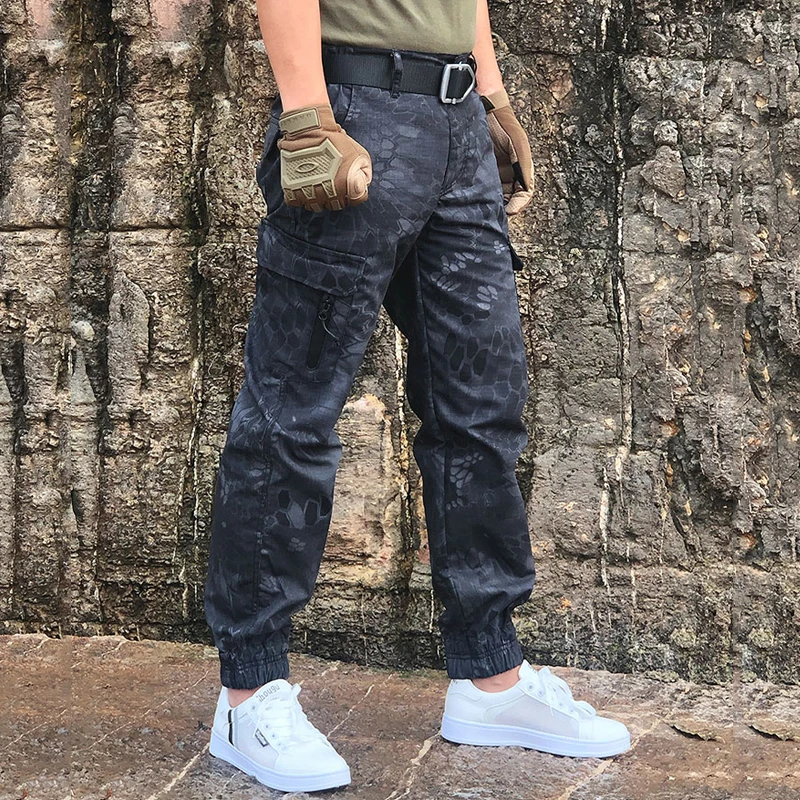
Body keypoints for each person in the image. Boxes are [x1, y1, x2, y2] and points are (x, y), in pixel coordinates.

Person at [203, 0, 631, 792]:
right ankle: (247, 694)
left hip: (457, 122)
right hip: (354, 107)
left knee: (482, 406)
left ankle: (489, 678)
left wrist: (492, 99)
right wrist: (306, 116)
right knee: (293, 409)